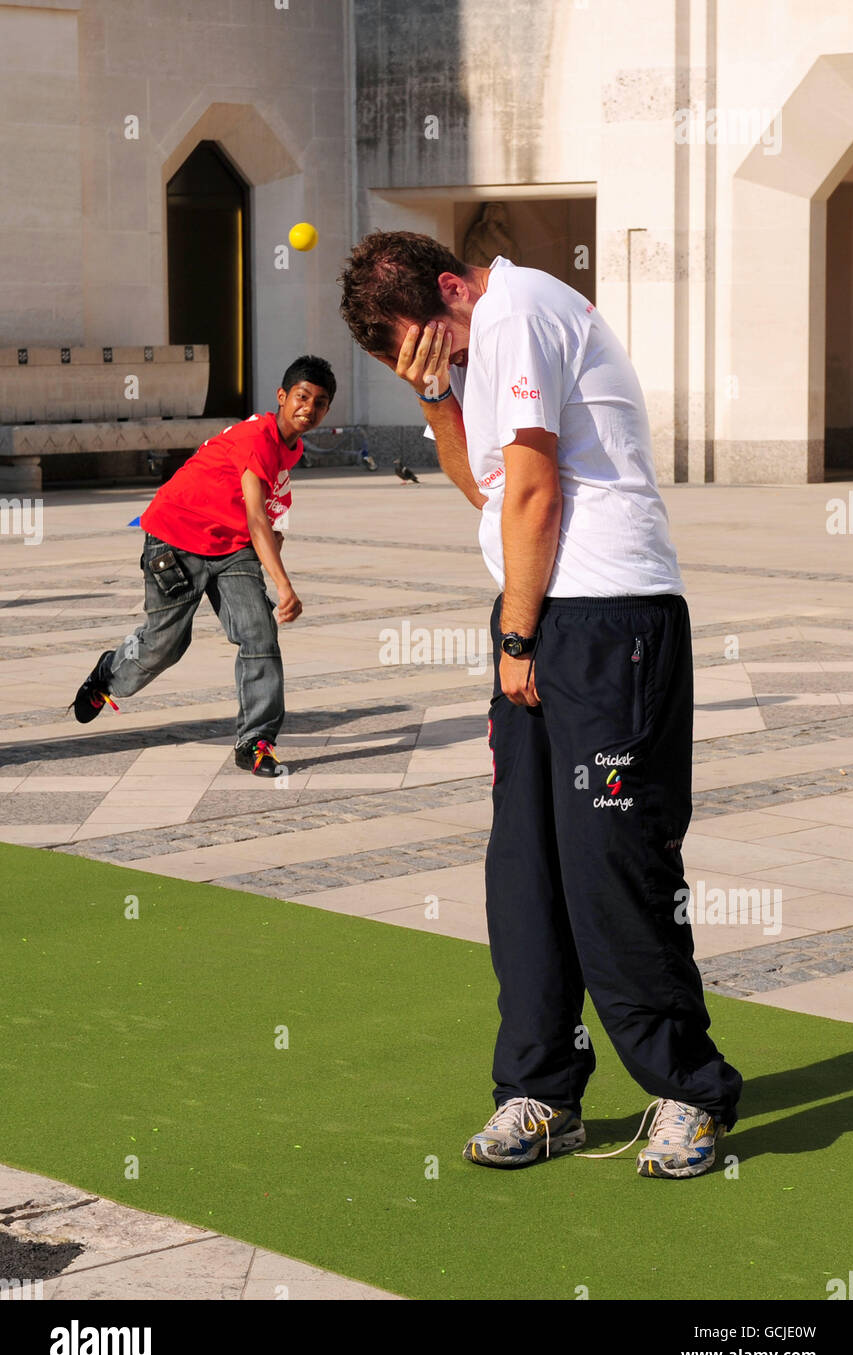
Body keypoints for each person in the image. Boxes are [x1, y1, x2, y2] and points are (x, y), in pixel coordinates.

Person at [339, 232, 742, 1178]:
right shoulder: (482, 344)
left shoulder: (518, 310)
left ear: (452, 287)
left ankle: (690, 1091)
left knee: (616, 860)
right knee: (524, 865)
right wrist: (433, 394)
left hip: (607, 619)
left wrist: (517, 636)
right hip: (543, 614)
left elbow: (534, 490)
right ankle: (542, 1090)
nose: (435, 360)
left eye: (425, 341)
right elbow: (481, 489)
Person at [70, 356, 336, 777]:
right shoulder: (256, 437)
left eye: (321, 402)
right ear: (282, 397)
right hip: (175, 537)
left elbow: (264, 511)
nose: (310, 408)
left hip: (230, 548)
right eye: (302, 397)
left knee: (259, 634)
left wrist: (271, 543)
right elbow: (256, 516)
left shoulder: (291, 446)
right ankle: (108, 675)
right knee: (165, 645)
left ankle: (256, 742)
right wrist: (284, 585)